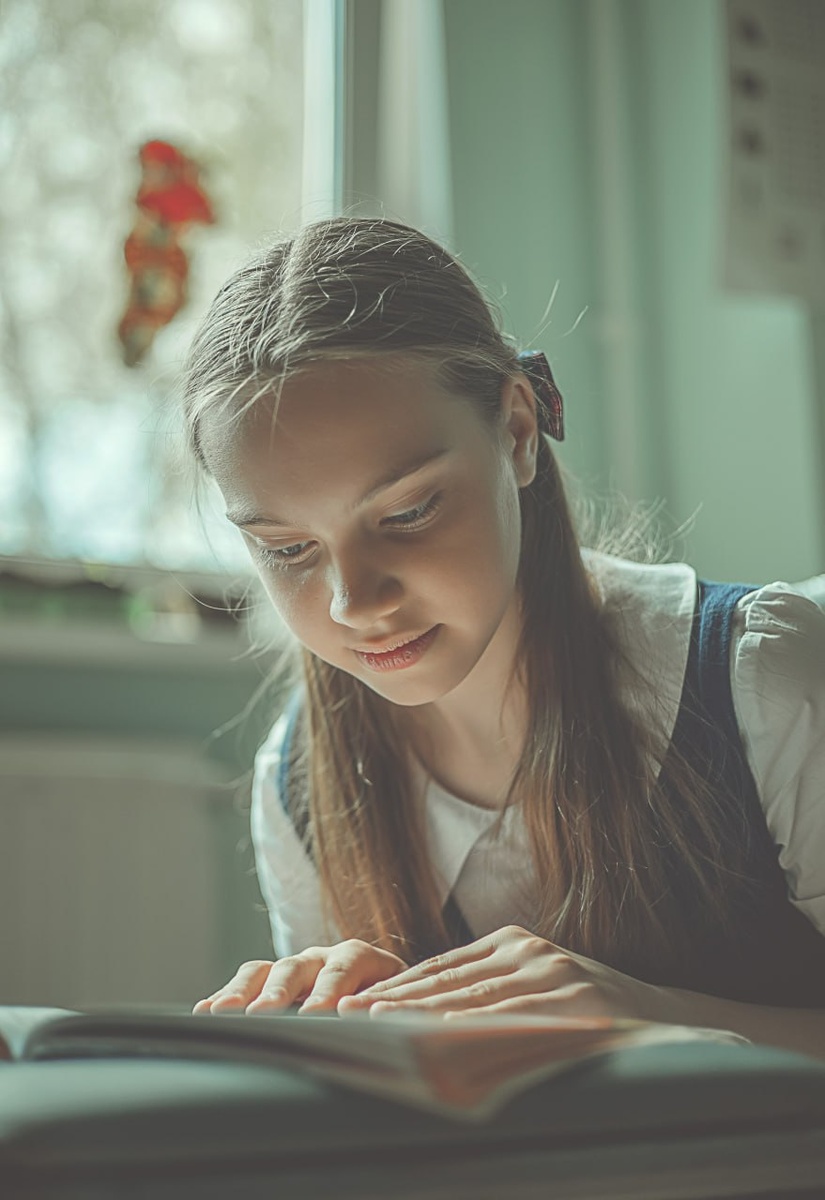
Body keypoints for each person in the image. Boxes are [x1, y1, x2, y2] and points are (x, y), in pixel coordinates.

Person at [184, 217, 825, 1057]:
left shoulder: (762, 681)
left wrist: (652, 1020)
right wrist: (336, 1047)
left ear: (517, 431)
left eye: (408, 511)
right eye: (287, 549)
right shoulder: (298, 786)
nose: (354, 602)